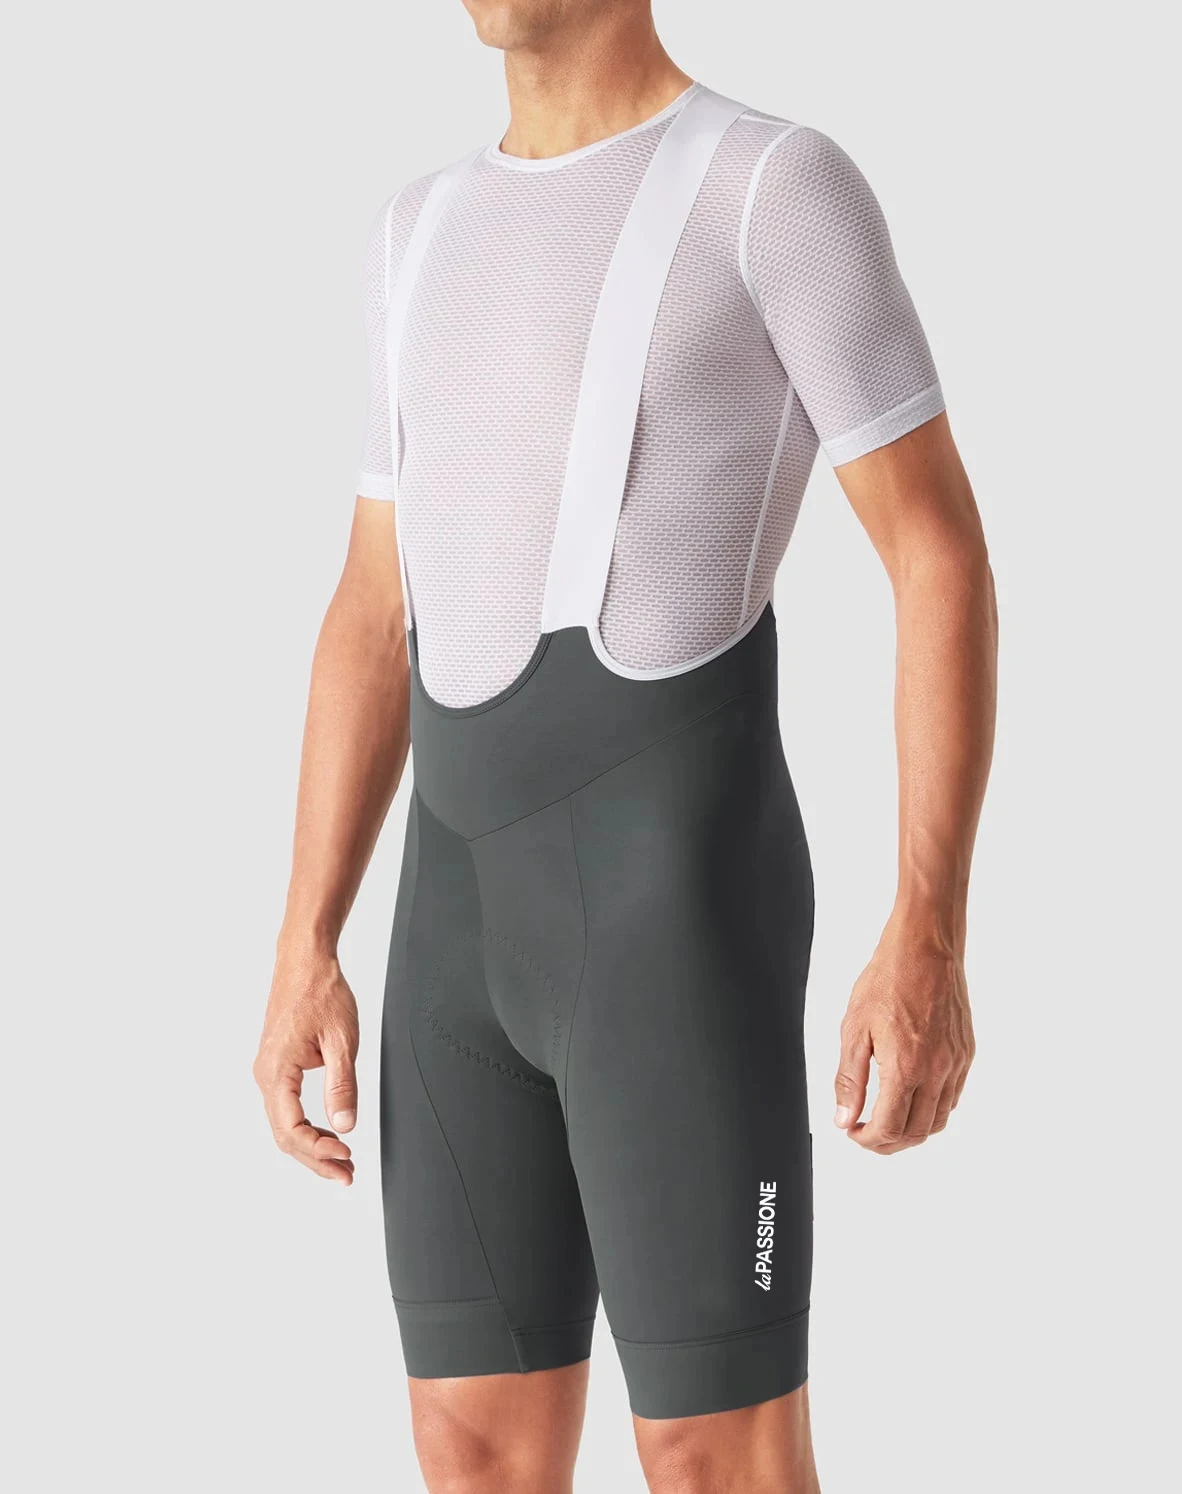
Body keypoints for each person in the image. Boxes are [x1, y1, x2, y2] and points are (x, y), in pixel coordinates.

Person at [253, 1, 996, 1488]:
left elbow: (937, 555)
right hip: (454, 935)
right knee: (469, 1448)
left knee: (717, 1454)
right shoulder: (418, 231)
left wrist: (927, 929)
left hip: (675, 923)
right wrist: (304, 941)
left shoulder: (772, 189)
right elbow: (370, 606)